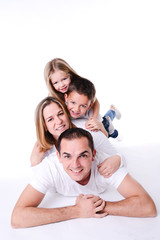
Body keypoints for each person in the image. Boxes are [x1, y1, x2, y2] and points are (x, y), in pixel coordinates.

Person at [11, 128, 157, 228]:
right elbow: (17, 218)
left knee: (116, 149)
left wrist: (99, 206)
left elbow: (148, 207)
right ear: (59, 157)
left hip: (101, 138)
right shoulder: (50, 167)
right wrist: (76, 211)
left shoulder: (105, 164)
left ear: (93, 155)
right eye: (67, 156)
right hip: (48, 175)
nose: (75, 165)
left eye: (83, 155)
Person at [30, 96, 123, 179]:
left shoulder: (90, 133)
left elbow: (117, 156)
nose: (58, 121)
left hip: (99, 125)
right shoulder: (43, 151)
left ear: (66, 114)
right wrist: (35, 163)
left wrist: (118, 160)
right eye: (50, 119)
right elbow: (42, 182)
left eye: (60, 114)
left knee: (106, 121)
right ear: (44, 126)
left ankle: (112, 111)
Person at [44, 58, 120, 138]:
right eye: (56, 82)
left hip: (92, 117)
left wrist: (94, 118)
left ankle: (113, 111)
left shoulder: (79, 86)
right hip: (80, 120)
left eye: (64, 79)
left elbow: (95, 101)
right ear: (51, 84)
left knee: (109, 128)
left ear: (70, 75)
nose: (61, 85)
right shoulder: (53, 98)